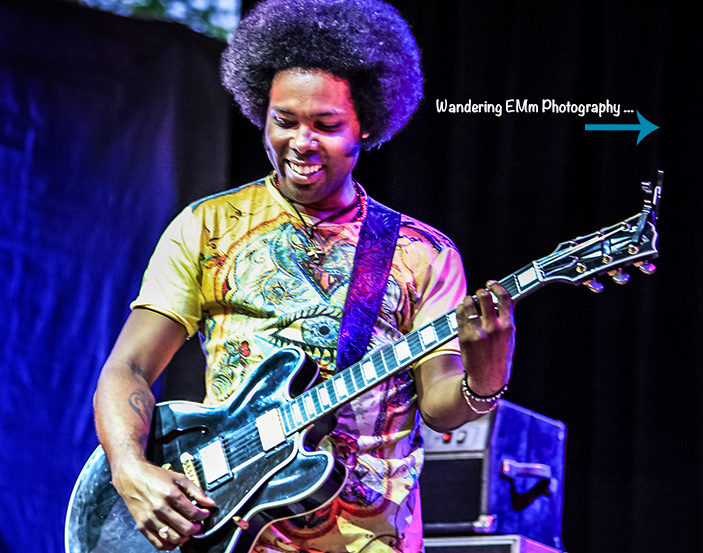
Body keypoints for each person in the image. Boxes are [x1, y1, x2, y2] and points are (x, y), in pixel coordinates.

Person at [92, 0, 515, 552]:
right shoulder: (206, 226)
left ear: (367, 125)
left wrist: (486, 377)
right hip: (231, 531)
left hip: (369, 538)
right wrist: (129, 468)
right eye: (284, 121)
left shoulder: (424, 253)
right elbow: (128, 367)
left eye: (327, 125)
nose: (301, 142)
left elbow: (439, 409)